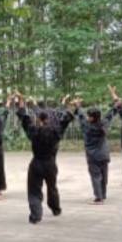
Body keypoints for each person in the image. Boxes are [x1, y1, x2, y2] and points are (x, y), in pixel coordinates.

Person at [16, 92, 74, 224]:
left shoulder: (34, 131)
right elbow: (65, 122)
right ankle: (56, 209)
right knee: (52, 187)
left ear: (38, 119)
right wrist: (70, 108)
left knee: (34, 190)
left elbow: (24, 119)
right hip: (50, 163)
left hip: (36, 163)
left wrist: (21, 104)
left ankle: (36, 216)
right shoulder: (55, 132)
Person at [74, 98, 115, 204]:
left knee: (96, 176)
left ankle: (98, 197)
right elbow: (109, 116)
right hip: (104, 154)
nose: (87, 117)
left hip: (93, 155)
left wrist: (78, 106)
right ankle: (103, 194)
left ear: (92, 118)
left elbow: (81, 117)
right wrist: (116, 106)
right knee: (104, 176)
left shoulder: (87, 127)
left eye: (89, 116)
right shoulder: (103, 125)